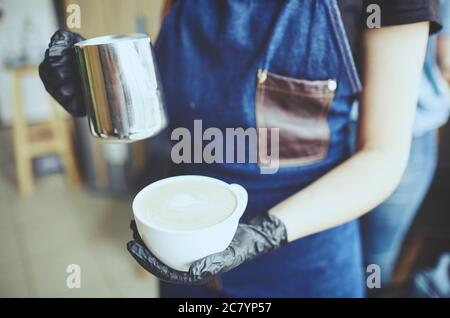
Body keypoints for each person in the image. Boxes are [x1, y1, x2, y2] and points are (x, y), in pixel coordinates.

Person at [39, 0, 441, 297]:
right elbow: (179, 93)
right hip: (186, 258)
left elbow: (383, 156)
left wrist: (262, 232)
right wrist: (100, 82)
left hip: (305, 263)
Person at [353, 0, 450, 290]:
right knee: (375, 256)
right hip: (408, 126)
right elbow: (446, 57)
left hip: (318, 125)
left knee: (313, 243)